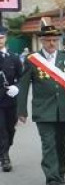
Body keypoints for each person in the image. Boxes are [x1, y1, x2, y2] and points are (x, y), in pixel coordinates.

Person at [17, 23, 65, 185]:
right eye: (48, 40)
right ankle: (51, 178)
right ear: (41, 41)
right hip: (43, 110)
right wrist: (21, 110)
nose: (52, 44)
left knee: (62, 144)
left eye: (55, 40)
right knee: (48, 144)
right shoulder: (33, 60)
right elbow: (24, 86)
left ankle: (60, 172)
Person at [0, 25, 23, 173]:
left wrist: (17, 87)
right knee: (1, 129)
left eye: (1, 37)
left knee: (10, 129)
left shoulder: (14, 57)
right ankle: (5, 158)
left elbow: (22, 77)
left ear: (5, 38)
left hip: (11, 99)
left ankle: (4, 149)